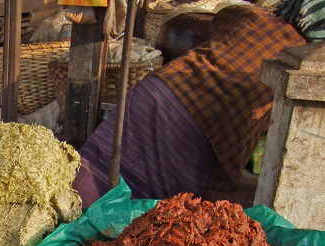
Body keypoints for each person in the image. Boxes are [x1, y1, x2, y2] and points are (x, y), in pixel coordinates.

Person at [73, 5, 306, 206]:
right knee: (152, 205)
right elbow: (232, 155)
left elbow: (225, 14)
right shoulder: (301, 61)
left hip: (158, 90)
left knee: (97, 162)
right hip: (196, 124)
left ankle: (61, 226)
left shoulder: (257, 19)